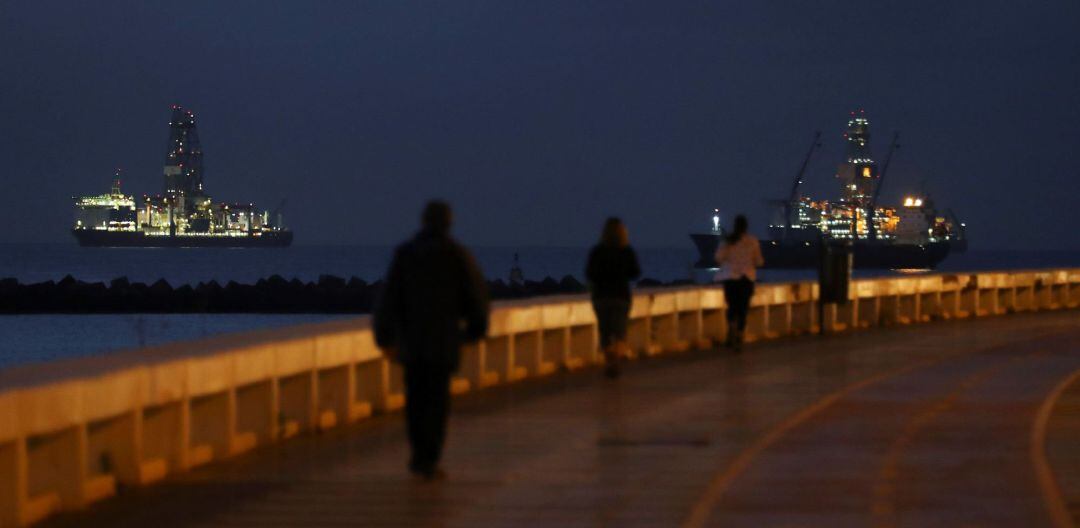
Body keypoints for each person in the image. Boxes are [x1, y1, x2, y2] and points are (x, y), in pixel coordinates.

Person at [374, 200, 489, 480]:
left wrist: (385, 336)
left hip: (412, 340)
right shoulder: (457, 255)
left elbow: (389, 300)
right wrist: (475, 331)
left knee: (415, 399)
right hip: (443, 340)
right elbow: (475, 297)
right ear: (448, 222)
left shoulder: (406, 254)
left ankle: (418, 454)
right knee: (437, 400)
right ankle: (431, 457)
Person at [586, 217, 641, 378]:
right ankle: (615, 357)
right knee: (619, 330)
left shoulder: (597, 251)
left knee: (604, 329)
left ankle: (608, 357)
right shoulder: (626, 251)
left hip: (601, 297)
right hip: (620, 296)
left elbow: (589, 273)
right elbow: (635, 272)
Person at [714, 214, 763, 351]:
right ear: (746, 227)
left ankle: (731, 327)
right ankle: (740, 333)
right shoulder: (753, 242)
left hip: (730, 279)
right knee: (743, 308)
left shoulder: (727, 241)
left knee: (732, 306)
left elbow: (718, 258)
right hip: (746, 279)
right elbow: (759, 261)